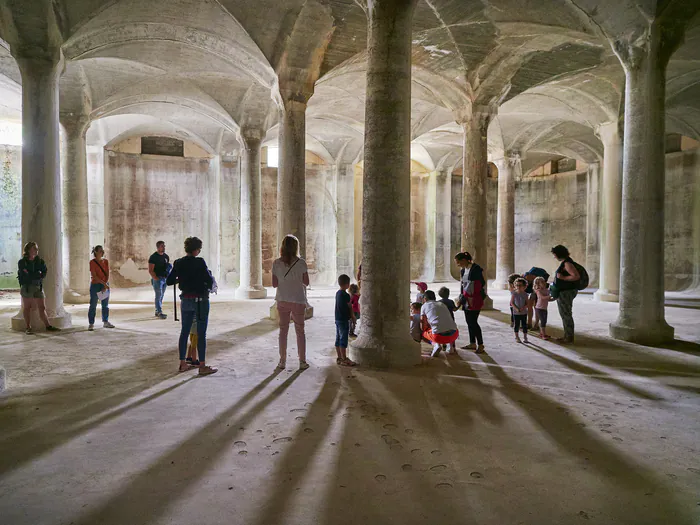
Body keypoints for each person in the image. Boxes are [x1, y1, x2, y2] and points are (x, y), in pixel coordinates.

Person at [166, 236, 217, 376]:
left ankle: (183, 363)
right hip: (200, 300)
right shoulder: (200, 262)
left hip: (186, 300)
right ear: (196, 250)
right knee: (201, 334)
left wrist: (182, 278)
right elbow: (208, 279)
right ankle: (202, 365)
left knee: (184, 332)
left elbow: (169, 281)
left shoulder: (178, 262)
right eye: (199, 249)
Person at [272, 234, 310, 371]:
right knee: (300, 331)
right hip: (298, 300)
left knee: (283, 331)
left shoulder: (276, 263)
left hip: (282, 299)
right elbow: (306, 282)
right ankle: (302, 361)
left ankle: (282, 361)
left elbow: (274, 284)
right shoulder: (301, 263)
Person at [17, 242, 60, 334]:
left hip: (38, 286)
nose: (36, 250)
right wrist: (36, 274)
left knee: (42, 307)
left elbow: (44, 273)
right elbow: (25, 275)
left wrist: (35, 274)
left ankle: (48, 326)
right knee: (27, 307)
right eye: (34, 248)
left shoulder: (40, 261)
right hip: (27, 287)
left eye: (37, 248)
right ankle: (28, 327)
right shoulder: (22, 262)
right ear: (28, 250)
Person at [454, 252, 486, 354]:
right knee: (469, 322)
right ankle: (472, 343)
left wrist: (471, 294)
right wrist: (461, 298)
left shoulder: (476, 269)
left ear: (464, 260)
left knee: (473, 322)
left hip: (475, 299)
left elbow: (481, 284)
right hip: (466, 299)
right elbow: (462, 286)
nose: (458, 264)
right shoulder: (463, 270)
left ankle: (480, 344)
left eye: (458, 262)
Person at [551, 244, 581, 344]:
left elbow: (576, 276)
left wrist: (563, 278)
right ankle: (567, 336)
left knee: (566, 314)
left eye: (554, 254)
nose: (554, 256)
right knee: (564, 314)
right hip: (565, 291)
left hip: (566, 292)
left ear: (559, 254)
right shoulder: (566, 262)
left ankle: (569, 338)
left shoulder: (567, 263)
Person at [421, 290, 459, 358]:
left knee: (424, 332)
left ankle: (436, 345)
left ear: (425, 299)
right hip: (454, 334)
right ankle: (450, 347)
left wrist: (425, 329)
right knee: (445, 325)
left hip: (438, 337)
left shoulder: (424, 306)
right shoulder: (442, 304)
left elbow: (423, 324)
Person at [88, 245, 115, 331]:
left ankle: (105, 321)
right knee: (93, 304)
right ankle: (91, 323)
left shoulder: (105, 261)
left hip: (104, 285)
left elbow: (107, 274)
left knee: (105, 305)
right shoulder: (92, 262)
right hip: (95, 285)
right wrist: (104, 284)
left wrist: (105, 284)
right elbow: (94, 276)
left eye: (102, 250)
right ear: (95, 252)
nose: (102, 252)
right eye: (100, 251)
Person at [334, 274, 356, 367]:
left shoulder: (337, 293)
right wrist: (353, 316)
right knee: (343, 339)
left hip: (338, 319)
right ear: (347, 284)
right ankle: (344, 359)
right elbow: (350, 307)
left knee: (338, 338)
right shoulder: (346, 295)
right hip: (344, 320)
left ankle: (339, 357)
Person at [148, 241, 170, 319]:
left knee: (161, 295)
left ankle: (157, 311)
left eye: (164, 246)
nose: (163, 247)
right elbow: (151, 270)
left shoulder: (166, 256)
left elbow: (167, 267)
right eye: (162, 246)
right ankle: (159, 311)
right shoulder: (153, 257)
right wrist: (156, 278)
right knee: (158, 295)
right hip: (158, 279)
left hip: (164, 279)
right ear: (158, 247)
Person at [437, 287, 457, 353]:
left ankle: (444, 345)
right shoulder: (451, 301)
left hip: (442, 320)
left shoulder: (439, 302)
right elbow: (454, 309)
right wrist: (459, 303)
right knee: (451, 332)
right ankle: (452, 347)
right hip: (451, 319)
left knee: (443, 332)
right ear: (448, 294)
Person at [511, 277, 529, 343]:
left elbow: (527, 303)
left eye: (520, 285)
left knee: (524, 325)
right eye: (517, 285)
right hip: (516, 313)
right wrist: (516, 309)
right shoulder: (514, 294)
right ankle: (517, 336)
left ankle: (525, 336)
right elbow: (512, 302)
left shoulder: (525, 294)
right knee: (517, 325)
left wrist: (523, 308)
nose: (518, 287)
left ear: (524, 286)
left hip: (524, 312)